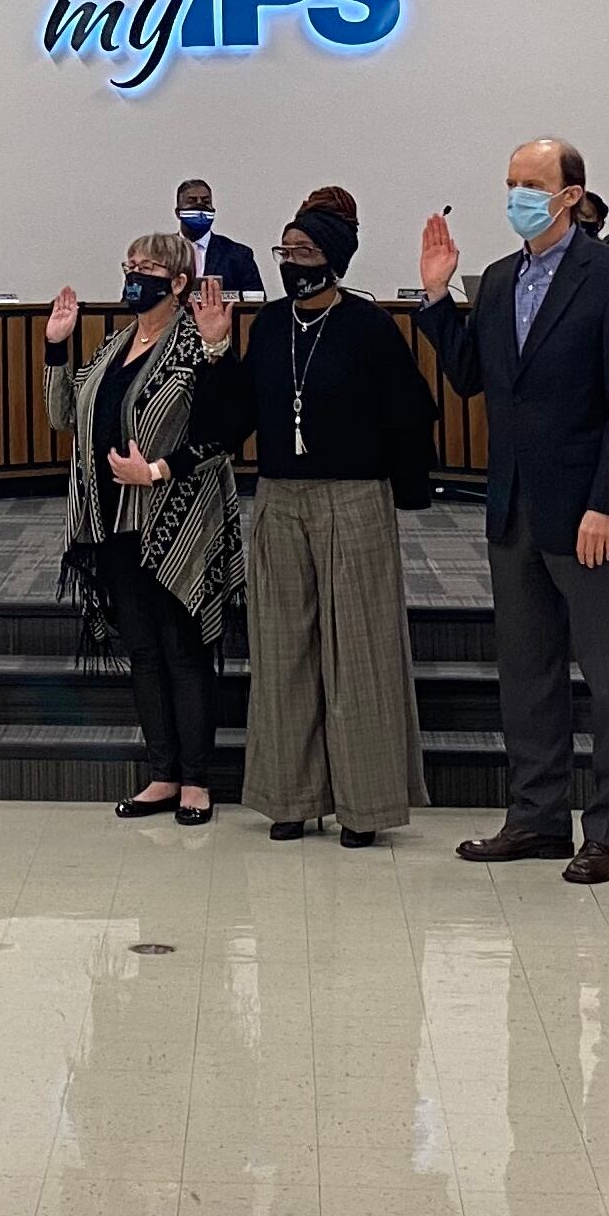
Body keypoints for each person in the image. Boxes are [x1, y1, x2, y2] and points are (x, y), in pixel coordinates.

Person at [414, 141, 609, 883]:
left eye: (533, 185)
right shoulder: (497, 280)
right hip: (513, 507)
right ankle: (536, 818)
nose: (518, 195)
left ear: (572, 194)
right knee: (527, 674)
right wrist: (436, 298)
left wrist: (607, 504)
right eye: (511, 183)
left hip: (590, 513)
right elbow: (468, 378)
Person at [229, 187, 435, 846]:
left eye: (306, 250)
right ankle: (289, 798)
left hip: (354, 497)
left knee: (362, 652)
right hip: (280, 500)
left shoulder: (369, 328)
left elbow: (409, 415)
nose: (292, 262)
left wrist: (408, 492)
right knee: (282, 648)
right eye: (285, 251)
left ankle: (365, 805)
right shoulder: (266, 327)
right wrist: (211, 352)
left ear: (335, 258)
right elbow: (234, 416)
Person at [43, 231, 244, 826]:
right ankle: (161, 774)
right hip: (108, 521)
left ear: (178, 282)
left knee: (183, 652)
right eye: (129, 264)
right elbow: (64, 418)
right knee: (143, 652)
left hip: (174, 523)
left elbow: (221, 433)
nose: (134, 274)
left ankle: (196, 782)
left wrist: (154, 471)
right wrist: (57, 347)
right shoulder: (115, 343)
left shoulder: (196, 342)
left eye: (148, 266)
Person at [174, 178, 266, 301]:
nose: (200, 205)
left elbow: (256, 301)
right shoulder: (159, 253)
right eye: (192, 201)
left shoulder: (238, 255)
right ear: (178, 212)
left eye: (206, 202)